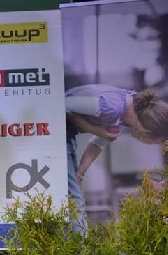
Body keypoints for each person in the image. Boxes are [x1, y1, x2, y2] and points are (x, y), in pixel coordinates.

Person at [65, 84, 168, 230]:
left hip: (67, 136)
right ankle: (76, 248)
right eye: (154, 141)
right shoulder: (112, 107)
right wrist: (93, 129)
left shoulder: (126, 110)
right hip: (55, 133)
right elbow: (62, 105)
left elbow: (99, 141)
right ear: (146, 130)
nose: (149, 144)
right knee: (75, 201)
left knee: (76, 198)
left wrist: (80, 173)